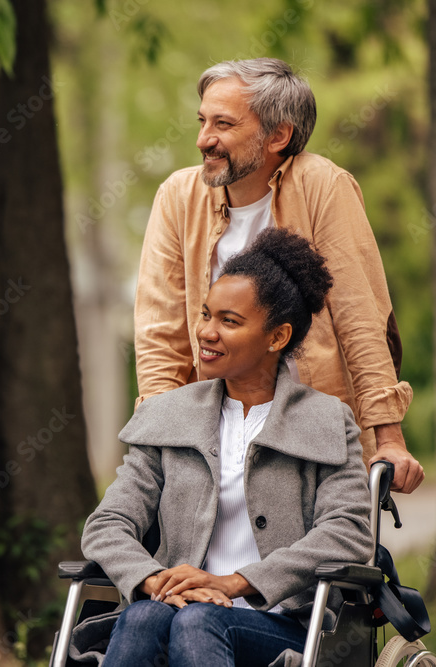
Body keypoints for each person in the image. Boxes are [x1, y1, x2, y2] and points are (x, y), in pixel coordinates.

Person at [76, 228, 374, 666]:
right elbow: (108, 524)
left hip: (283, 623)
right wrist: (154, 580)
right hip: (171, 609)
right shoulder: (168, 416)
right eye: (206, 315)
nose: (207, 333)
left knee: (199, 621)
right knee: (145, 618)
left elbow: (347, 531)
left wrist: (234, 582)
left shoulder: (325, 420)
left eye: (229, 321)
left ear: (277, 337)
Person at [134, 57, 424, 492]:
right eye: (202, 121)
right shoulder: (177, 197)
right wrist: (155, 444)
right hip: (214, 428)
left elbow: (361, 320)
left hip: (313, 429)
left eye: (223, 125)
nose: (203, 140)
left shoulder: (322, 185)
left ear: (278, 135)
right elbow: (162, 334)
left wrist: (389, 438)